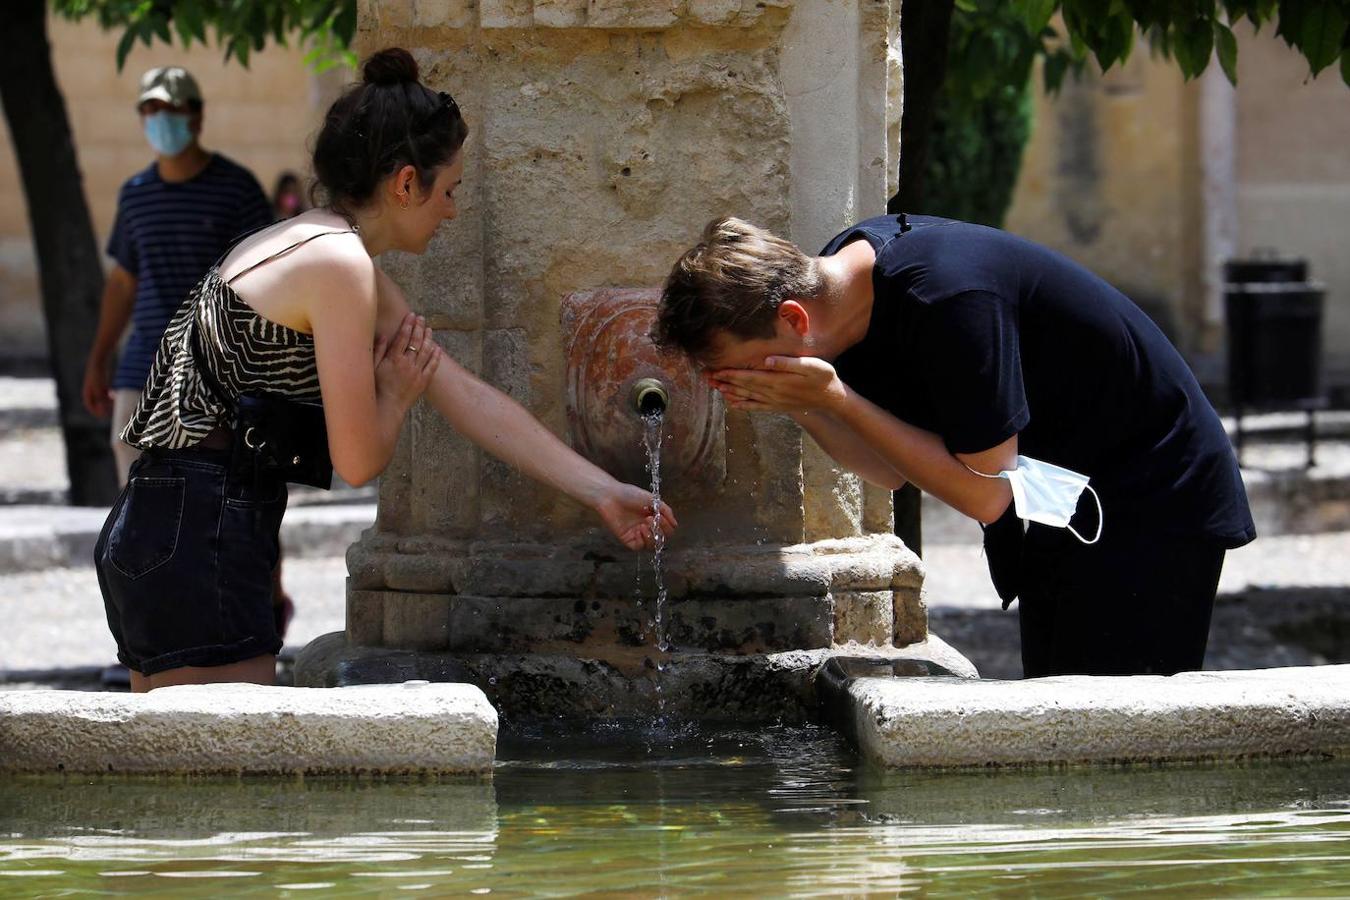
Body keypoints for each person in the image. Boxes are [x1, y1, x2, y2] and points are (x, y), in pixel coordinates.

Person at [94, 48, 677, 693]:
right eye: (449, 190)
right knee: (227, 786)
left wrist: (600, 490)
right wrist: (394, 396)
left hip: (162, 522)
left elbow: (463, 395)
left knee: (185, 784)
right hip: (200, 527)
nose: (452, 210)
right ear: (405, 183)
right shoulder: (338, 265)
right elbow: (358, 458)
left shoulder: (316, 244)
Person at [655, 214, 1254, 677]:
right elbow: (886, 470)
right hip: (1064, 508)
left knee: (1125, 741)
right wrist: (807, 403)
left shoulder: (948, 301)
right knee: (1060, 717)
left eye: (741, 369)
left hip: (1153, 497)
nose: (737, 386)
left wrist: (836, 400)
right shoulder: (843, 297)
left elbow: (988, 495)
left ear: (792, 318)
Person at [82, 65, 274, 486]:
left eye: (170, 107)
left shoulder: (236, 189)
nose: (160, 117)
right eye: (150, 108)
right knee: (135, 472)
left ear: (197, 117)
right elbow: (122, 282)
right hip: (141, 364)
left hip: (215, 368)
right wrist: (98, 361)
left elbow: (265, 279)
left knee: (216, 485)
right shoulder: (135, 195)